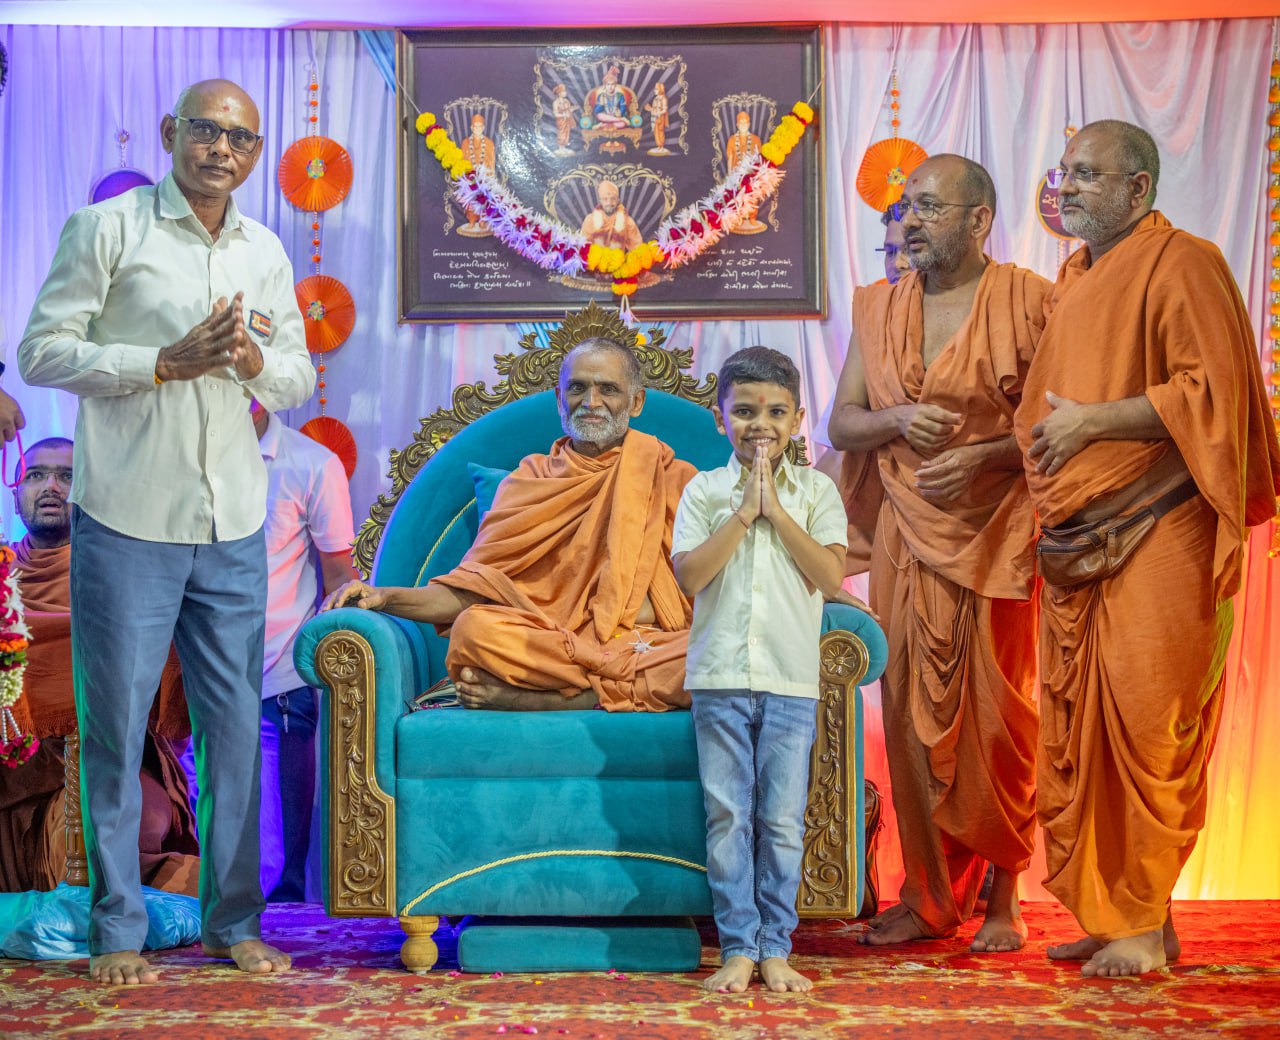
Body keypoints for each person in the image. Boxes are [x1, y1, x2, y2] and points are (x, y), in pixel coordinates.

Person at [18, 78, 314, 984]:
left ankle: (234, 924)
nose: (221, 148)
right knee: (116, 729)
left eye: (240, 137)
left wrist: (254, 360)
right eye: (205, 130)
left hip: (233, 520)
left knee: (234, 732)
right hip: (128, 518)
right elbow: (41, 350)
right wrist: (158, 362)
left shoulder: (266, 249)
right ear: (170, 132)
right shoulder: (106, 229)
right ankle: (117, 929)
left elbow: (297, 377)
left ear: (256, 153)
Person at [1013, 120, 1280, 977]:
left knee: (1147, 722)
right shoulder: (1074, 279)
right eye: (1065, 172)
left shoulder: (1185, 262)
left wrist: (1094, 422)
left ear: (1139, 189)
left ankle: (1136, 919)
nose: (1068, 186)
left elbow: (1212, 392)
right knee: (1083, 727)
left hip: (1162, 523)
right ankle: (1124, 915)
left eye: (1089, 174)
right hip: (1077, 538)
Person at [830, 155, 1050, 953]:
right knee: (907, 720)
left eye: (929, 206)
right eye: (906, 208)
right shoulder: (879, 306)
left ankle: (1005, 900)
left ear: (979, 219)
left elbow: (1054, 426)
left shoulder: (1031, 301)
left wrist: (986, 457)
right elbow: (842, 422)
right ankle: (926, 897)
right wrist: (895, 421)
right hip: (905, 529)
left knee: (1000, 721)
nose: (911, 221)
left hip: (999, 533)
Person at [322, 337, 694, 713]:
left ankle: (560, 698)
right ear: (559, 398)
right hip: (549, 642)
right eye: (578, 388)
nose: (591, 401)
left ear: (636, 401)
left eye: (608, 389)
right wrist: (385, 597)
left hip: (643, 644)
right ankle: (617, 689)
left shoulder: (675, 479)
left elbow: (704, 596)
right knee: (474, 629)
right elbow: (473, 589)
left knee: (706, 654)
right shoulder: (529, 481)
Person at [672, 347, 851, 994]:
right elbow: (690, 575)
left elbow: (830, 577)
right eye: (745, 411)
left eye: (776, 412)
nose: (760, 425)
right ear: (720, 417)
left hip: (789, 682)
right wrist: (745, 512)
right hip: (719, 680)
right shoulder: (703, 491)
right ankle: (738, 947)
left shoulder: (818, 493)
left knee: (779, 820)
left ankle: (776, 946)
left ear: (798, 419)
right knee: (727, 817)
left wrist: (777, 511)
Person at [0, 438, 199, 896]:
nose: (50, 486)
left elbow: (166, 678)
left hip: (108, 756)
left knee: (129, 831)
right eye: (35, 475)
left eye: (67, 476)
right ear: (16, 492)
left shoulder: (124, 577)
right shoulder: (2, 577)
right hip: (13, 766)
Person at [254, 404, 357, 903]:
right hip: (196, 659)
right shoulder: (183, 453)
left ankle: (287, 903)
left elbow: (339, 576)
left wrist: (333, 661)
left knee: (280, 864)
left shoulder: (311, 462)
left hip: (280, 662)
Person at [724, 112, 766, 234]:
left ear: (749, 124)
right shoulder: (732, 140)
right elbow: (730, 158)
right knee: (738, 197)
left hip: (751, 173)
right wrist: (729, 176)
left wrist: (760, 173)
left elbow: (760, 158)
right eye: (740, 122)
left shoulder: (756, 139)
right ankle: (740, 219)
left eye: (745, 122)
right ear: (737, 124)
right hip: (737, 174)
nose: (743, 124)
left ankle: (752, 218)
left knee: (752, 196)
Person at [579, 180, 643, 252]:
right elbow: (582, 249)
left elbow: (638, 249)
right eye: (605, 199)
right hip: (595, 258)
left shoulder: (628, 222)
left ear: (618, 200)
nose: (609, 203)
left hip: (619, 258)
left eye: (613, 199)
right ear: (600, 201)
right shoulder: (590, 220)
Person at [459, 114, 496, 237]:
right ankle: (471, 221)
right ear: (471, 127)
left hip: (484, 178)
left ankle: (482, 221)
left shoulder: (489, 143)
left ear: (483, 128)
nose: (478, 129)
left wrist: (490, 177)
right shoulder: (466, 142)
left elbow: (492, 161)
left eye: (480, 126)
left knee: (483, 200)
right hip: (470, 178)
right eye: (475, 126)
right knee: (471, 201)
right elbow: (463, 160)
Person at [645, 83, 670, 155]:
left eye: (656, 89)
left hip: (660, 117)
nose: (654, 91)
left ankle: (661, 146)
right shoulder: (656, 98)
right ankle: (659, 146)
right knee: (656, 132)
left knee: (660, 131)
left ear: (660, 89)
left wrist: (658, 112)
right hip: (655, 117)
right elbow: (654, 108)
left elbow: (665, 109)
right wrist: (650, 109)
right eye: (655, 89)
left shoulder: (663, 98)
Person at [552, 84, 575, 156]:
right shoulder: (556, 103)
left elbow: (569, 111)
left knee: (567, 133)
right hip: (561, 121)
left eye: (565, 91)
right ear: (559, 93)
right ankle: (560, 148)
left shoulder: (566, 101)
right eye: (564, 91)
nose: (565, 93)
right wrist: (563, 115)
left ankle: (564, 147)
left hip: (567, 120)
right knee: (561, 133)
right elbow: (555, 114)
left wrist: (571, 111)